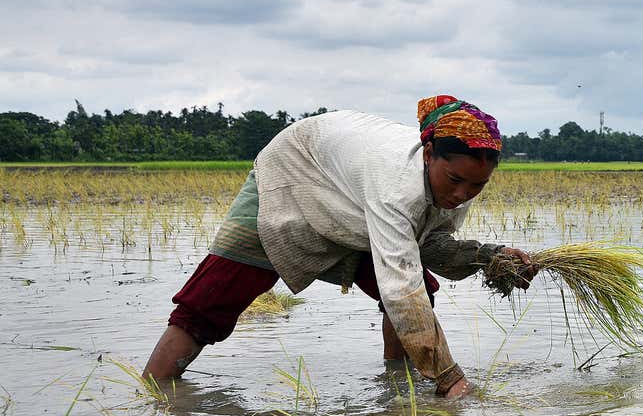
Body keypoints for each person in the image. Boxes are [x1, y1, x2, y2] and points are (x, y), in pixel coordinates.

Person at [141, 96, 535, 397]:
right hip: (294, 174)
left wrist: (489, 257)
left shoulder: (451, 186)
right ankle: (152, 397)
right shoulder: (397, 186)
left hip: (353, 199)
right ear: (429, 154)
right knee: (211, 300)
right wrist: (450, 378)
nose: (462, 194)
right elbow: (403, 290)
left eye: (476, 186)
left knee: (421, 296)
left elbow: (428, 245)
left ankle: (398, 388)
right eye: (455, 180)